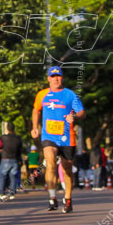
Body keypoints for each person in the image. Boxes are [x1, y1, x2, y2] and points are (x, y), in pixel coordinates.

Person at [31, 66, 85, 213]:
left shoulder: (70, 95)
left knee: (67, 168)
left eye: (58, 76)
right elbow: (36, 109)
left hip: (67, 137)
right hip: (49, 135)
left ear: (62, 78)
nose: (56, 79)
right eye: (53, 76)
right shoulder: (42, 94)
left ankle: (68, 199)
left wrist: (74, 116)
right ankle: (52, 197)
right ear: (48, 78)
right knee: (50, 162)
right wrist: (35, 127)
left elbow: (81, 112)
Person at [0, 121, 23, 200]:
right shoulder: (18, 138)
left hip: (5, 158)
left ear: (7, 128)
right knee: (13, 176)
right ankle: (12, 193)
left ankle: (2, 192)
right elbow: (20, 150)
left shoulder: (3, 138)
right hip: (14, 159)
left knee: (2, 176)